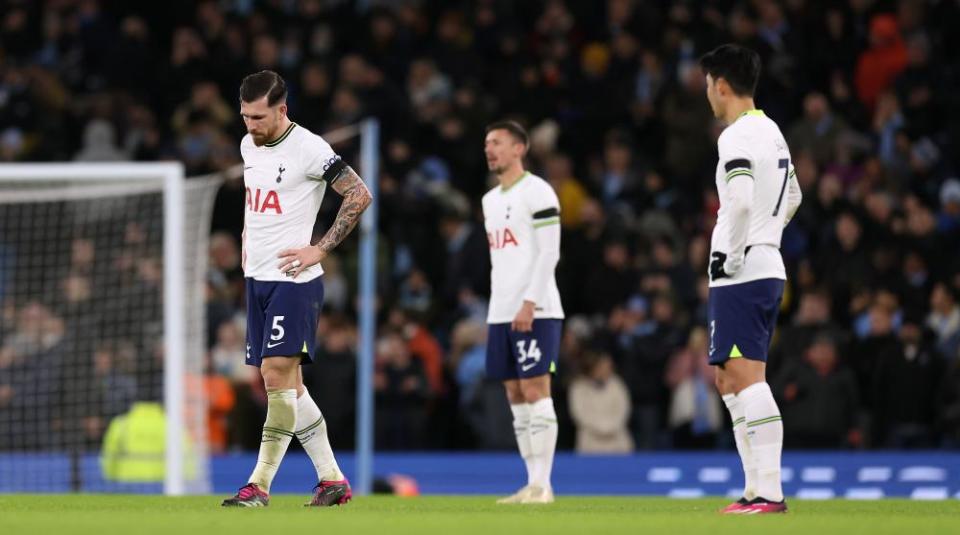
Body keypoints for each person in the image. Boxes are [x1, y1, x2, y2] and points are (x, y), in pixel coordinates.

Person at [221, 70, 372, 507]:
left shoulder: (309, 148)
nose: (251, 125)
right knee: (292, 387)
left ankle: (259, 485)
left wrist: (319, 248)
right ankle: (332, 480)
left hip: (294, 281)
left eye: (260, 117)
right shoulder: (248, 145)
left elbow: (359, 194)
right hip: (258, 279)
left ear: (282, 110)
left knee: (273, 377)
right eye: (246, 116)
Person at [700, 45, 802, 515]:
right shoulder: (772, 131)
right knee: (727, 378)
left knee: (746, 375)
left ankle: (769, 492)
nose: (707, 94)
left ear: (721, 85)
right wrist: (769, 233)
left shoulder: (736, 135)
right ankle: (753, 489)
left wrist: (734, 253)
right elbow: (794, 195)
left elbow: (738, 202)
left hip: (742, 268)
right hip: (761, 260)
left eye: (707, 84)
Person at [482, 120, 564, 504]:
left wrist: (531, 301)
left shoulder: (539, 191)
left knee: (535, 388)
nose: (489, 149)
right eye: (486, 144)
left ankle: (544, 485)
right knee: (514, 392)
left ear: (520, 148)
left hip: (537, 307)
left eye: (497, 142)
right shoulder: (490, 200)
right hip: (500, 310)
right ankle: (531, 481)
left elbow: (550, 252)